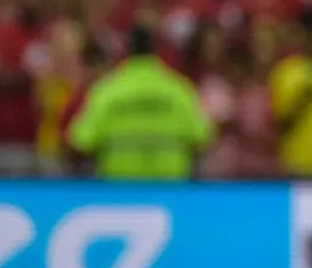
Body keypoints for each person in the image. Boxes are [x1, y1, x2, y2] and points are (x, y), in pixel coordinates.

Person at [67, 24, 214, 179]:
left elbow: (81, 139)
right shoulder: (179, 89)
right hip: (170, 187)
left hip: (119, 188)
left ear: (127, 50)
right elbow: (203, 135)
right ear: (155, 50)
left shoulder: (107, 90)